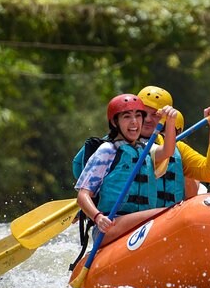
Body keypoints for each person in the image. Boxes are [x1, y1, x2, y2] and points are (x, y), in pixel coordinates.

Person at [75, 93, 178, 246]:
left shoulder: (146, 150)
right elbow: (82, 196)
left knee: (166, 214)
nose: (134, 122)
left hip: (141, 225)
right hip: (111, 225)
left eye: (138, 116)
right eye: (127, 117)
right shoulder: (107, 150)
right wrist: (98, 217)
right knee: (168, 214)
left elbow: (168, 151)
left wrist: (170, 122)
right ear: (115, 122)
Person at [137, 85, 210, 203]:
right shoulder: (117, 143)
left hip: (168, 219)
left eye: (155, 114)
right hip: (133, 217)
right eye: (143, 114)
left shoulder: (177, 147)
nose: (147, 119)